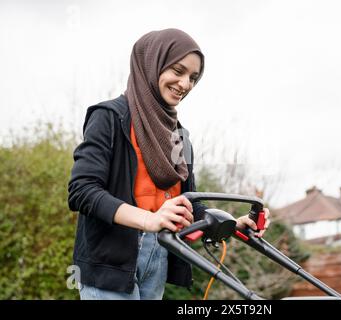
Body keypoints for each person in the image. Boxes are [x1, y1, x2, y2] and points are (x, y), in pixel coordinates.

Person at [68, 28, 271, 300]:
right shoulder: (109, 118)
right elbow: (82, 191)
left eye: (193, 78)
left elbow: (191, 205)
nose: (185, 84)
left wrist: (235, 224)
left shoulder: (179, 137)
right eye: (178, 71)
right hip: (110, 262)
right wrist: (149, 219)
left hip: (159, 253)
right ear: (152, 64)